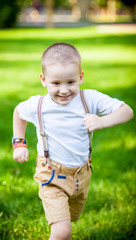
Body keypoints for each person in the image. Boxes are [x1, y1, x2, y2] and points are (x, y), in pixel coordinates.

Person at [12, 43, 133, 240]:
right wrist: (19, 143)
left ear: (81, 77)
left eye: (70, 82)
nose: (64, 90)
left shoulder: (89, 99)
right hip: (51, 176)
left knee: (72, 218)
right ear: (44, 80)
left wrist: (102, 121)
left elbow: (127, 111)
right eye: (56, 83)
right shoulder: (39, 105)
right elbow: (18, 112)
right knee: (62, 232)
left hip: (81, 175)